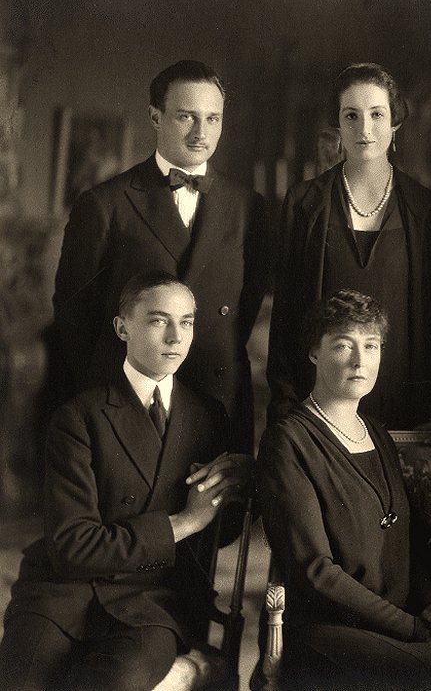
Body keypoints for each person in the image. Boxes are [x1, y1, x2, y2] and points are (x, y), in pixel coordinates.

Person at [0, 272, 253, 691]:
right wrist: (185, 522)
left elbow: (221, 532)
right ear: (123, 328)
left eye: (186, 322)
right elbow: (73, 547)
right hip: (59, 593)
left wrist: (246, 478)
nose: (175, 336)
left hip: (151, 605)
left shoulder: (208, 420)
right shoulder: (78, 417)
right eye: (158, 321)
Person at [256, 289, 431, 689]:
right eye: (344, 345)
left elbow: (409, 544)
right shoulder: (288, 440)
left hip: (392, 625)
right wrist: (412, 627)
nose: (361, 361)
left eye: (372, 345)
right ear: (314, 352)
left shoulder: (376, 433)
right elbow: (316, 571)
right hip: (324, 634)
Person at [50, 60, 269, 451]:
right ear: (155, 116)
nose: (202, 132)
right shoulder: (104, 204)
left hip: (217, 400)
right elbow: (74, 316)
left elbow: (244, 309)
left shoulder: (249, 208)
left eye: (213, 118)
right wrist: (111, 393)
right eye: (186, 117)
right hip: (126, 405)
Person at [267, 63, 431, 437]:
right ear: (337, 124)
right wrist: (287, 406)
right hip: (320, 408)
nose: (364, 129)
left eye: (376, 114)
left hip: (403, 409)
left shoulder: (424, 208)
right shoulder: (303, 203)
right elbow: (286, 317)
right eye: (351, 116)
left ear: (395, 122)